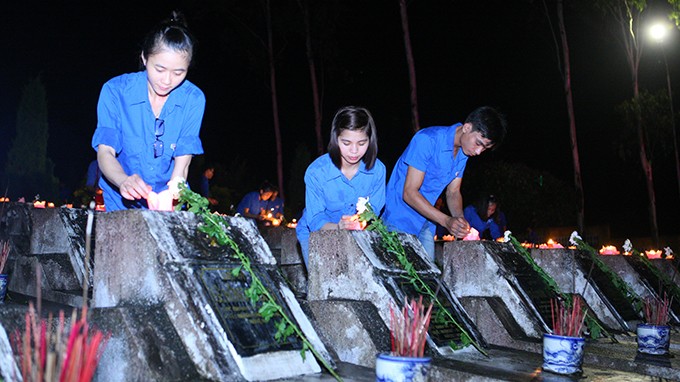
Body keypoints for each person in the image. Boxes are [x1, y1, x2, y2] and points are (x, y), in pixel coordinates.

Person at [91, 11, 205, 211]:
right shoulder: (115, 91)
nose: (167, 80)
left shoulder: (193, 99)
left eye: (179, 72)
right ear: (144, 58)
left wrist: (174, 190)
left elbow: (183, 160)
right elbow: (105, 152)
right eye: (159, 69)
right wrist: (123, 180)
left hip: (168, 201)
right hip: (120, 198)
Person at [383, 106, 507, 261]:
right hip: (400, 218)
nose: (478, 152)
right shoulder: (427, 140)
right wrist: (446, 221)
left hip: (427, 222)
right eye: (478, 143)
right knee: (399, 276)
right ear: (467, 127)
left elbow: (453, 192)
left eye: (484, 148)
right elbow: (409, 193)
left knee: (427, 279)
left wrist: (460, 221)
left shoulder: (463, 153)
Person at [296, 106, 386, 266]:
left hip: (357, 235)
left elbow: (374, 210)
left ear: (370, 141)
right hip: (317, 234)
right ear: (335, 139)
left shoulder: (377, 170)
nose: (354, 150)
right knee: (325, 286)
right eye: (346, 142)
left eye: (361, 143)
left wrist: (359, 221)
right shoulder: (317, 172)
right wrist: (338, 227)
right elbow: (315, 218)